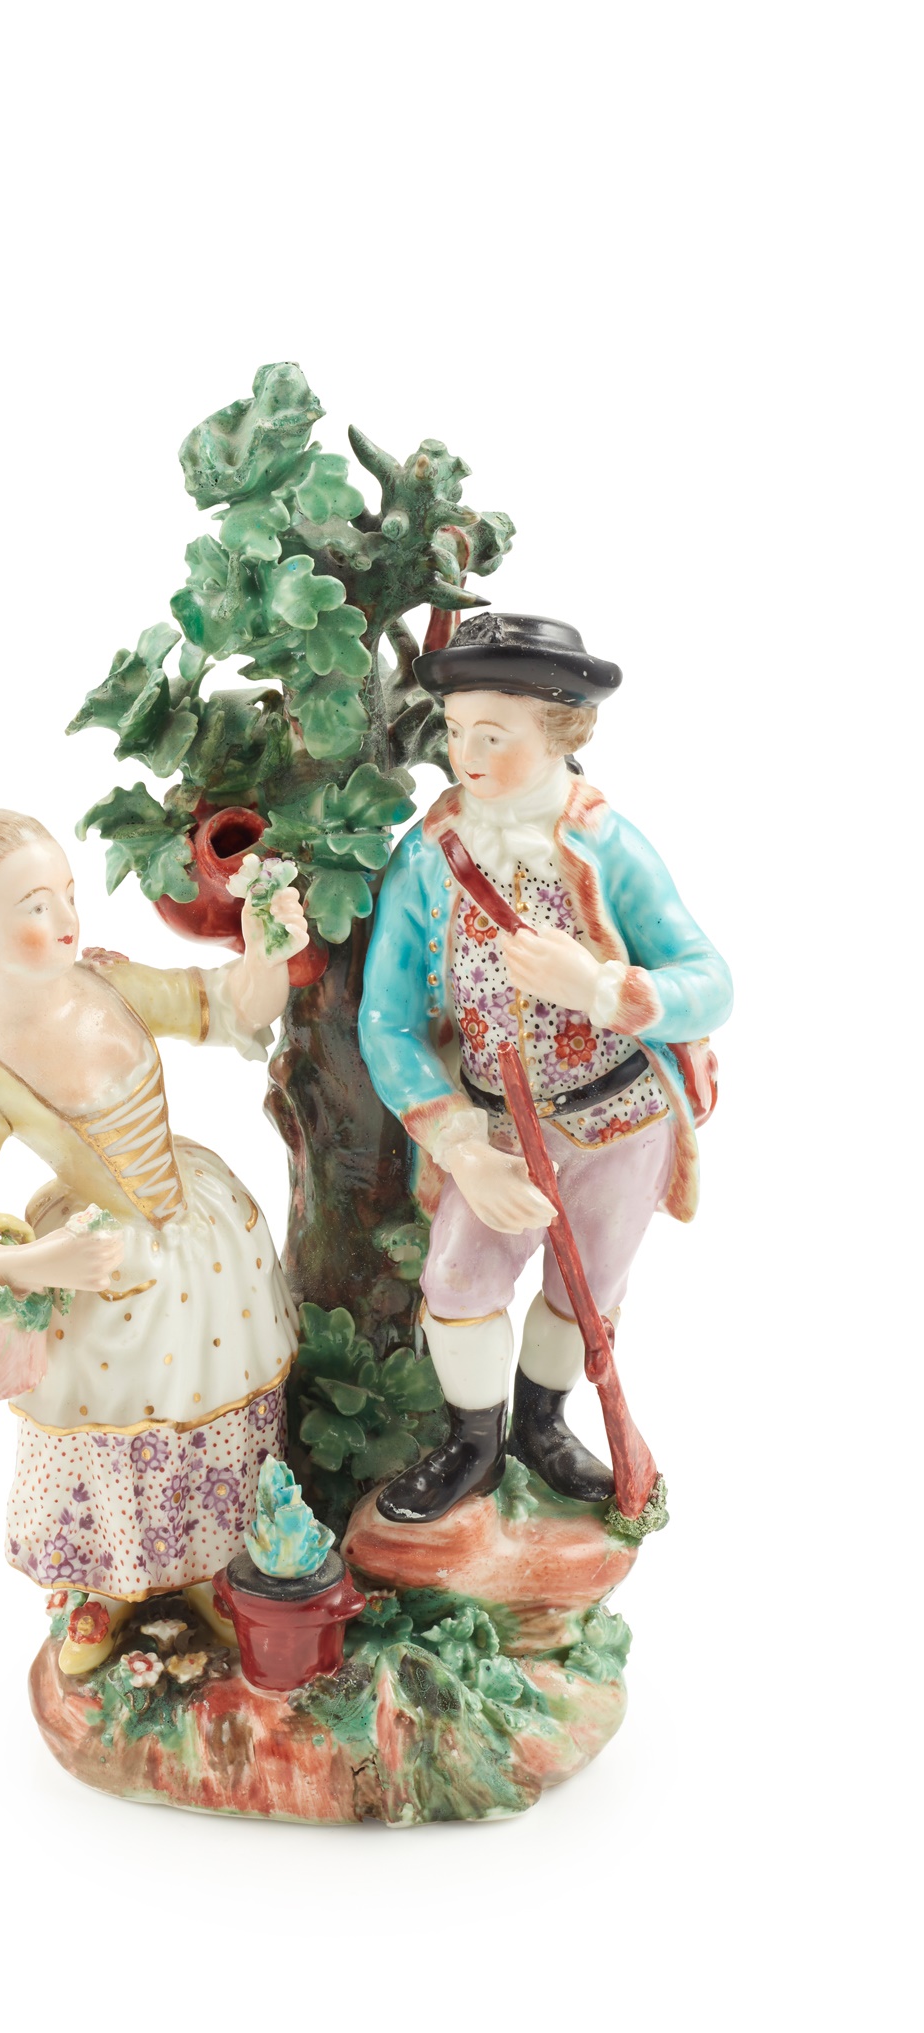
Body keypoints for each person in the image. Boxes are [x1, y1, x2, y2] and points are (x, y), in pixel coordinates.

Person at [0, 811, 305, 1670]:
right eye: (35, 907)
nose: (67, 918)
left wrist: (266, 953)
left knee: (207, 1400)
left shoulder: (107, 983)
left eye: (67, 893)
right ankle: (103, 1587)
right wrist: (34, 1262)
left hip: (200, 1236)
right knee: (110, 1422)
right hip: (101, 1267)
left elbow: (225, 1004)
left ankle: (208, 1565)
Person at [358, 613, 731, 1522]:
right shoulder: (432, 859)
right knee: (458, 1281)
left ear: (562, 731)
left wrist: (601, 988)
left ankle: (543, 1427)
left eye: (495, 736)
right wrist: (463, 1150)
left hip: (619, 1121)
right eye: (456, 732)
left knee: (587, 1291)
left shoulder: (608, 844)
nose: (467, 755)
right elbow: (388, 1022)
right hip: (495, 1128)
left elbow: (709, 982)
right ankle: (471, 1442)